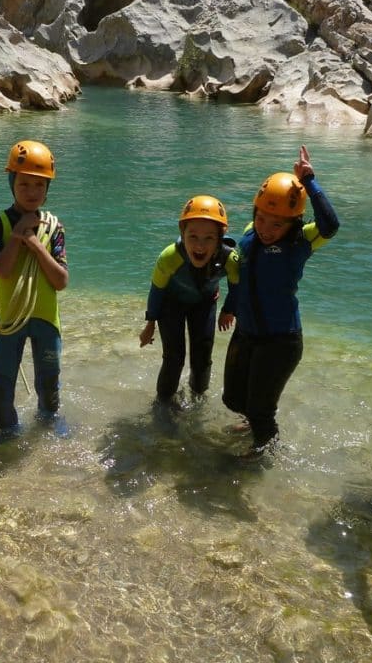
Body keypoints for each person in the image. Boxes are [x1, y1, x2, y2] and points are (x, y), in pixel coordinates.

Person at [222, 145, 339, 456]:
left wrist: (310, 181)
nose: (267, 229)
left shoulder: (300, 242)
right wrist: (228, 307)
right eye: (262, 219)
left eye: (277, 224)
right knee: (233, 400)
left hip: (280, 341)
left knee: (261, 410)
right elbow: (237, 274)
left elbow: (331, 224)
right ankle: (254, 426)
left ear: (292, 224)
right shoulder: (249, 236)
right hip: (246, 334)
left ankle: (264, 454)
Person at [0, 140, 68, 445]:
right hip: (11, 320)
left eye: (39, 185)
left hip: (45, 318)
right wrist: (18, 236)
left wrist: (33, 243)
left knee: (48, 386)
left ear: (47, 188)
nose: (32, 192)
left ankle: (47, 430)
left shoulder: (54, 227)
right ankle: (9, 435)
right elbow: (3, 270)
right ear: (12, 183)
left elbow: (60, 281)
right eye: (24, 184)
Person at [139, 195, 238, 404]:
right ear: (182, 234)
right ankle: (163, 404)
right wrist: (150, 324)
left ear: (220, 238)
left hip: (204, 303)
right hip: (170, 305)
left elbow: (237, 286)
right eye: (193, 237)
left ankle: (198, 398)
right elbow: (156, 291)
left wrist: (228, 309)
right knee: (174, 359)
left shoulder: (228, 258)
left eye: (209, 238)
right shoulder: (170, 257)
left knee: (202, 358)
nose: (200, 246)